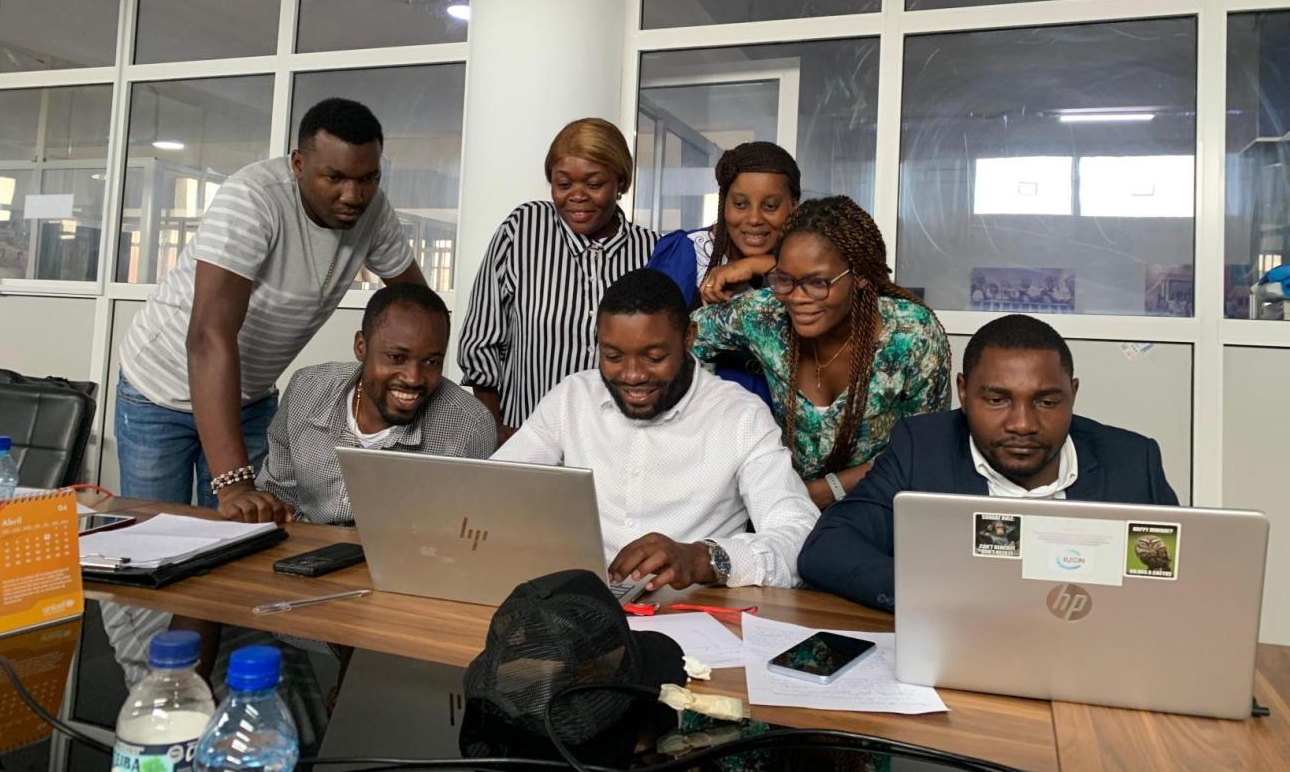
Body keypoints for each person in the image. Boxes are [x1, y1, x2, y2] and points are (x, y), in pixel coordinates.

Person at [116, 97, 427, 523]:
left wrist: (414, 381)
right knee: (157, 536)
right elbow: (209, 336)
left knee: (242, 540)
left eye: (368, 178)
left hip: (250, 396)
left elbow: (418, 311)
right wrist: (235, 483)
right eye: (334, 177)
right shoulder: (253, 199)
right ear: (299, 164)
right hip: (158, 389)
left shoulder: (373, 212)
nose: (353, 195)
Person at [797, 314, 1179, 611]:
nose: (1023, 424)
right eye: (997, 400)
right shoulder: (923, 449)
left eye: (1047, 402)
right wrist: (951, 599)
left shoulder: (1132, 462)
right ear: (963, 392)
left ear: (1072, 393)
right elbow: (828, 548)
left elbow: (1179, 579)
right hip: (968, 656)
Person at [492, 269, 818, 591]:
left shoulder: (741, 417)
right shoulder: (572, 398)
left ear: (689, 338)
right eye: (613, 356)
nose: (633, 375)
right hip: (579, 612)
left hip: (693, 618)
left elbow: (798, 535)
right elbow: (492, 491)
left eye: (654, 356)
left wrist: (703, 559)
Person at [691, 196, 949, 511]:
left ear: (861, 275)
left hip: (879, 506)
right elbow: (679, 340)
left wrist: (827, 490)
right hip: (779, 508)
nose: (798, 298)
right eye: (785, 279)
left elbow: (922, 448)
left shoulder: (912, 335)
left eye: (818, 283)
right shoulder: (765, 315)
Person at [458, 118, 657, 445]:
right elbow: (482, 338)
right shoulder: (523, 229)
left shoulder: (651, 250)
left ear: (621, 182)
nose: (577, 197)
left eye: (593, 184)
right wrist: (494, 429)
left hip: (619, 444)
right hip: (524, 435)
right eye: (563, 184)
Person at [256, 283, 496, 524]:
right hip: (305, 553)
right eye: (396, 358)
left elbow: (467, 530)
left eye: (432, 362)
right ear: (361, 347)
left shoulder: (469, 425)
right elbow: (277, 497)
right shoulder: (306, 389)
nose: (413, 377)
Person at [646, 141, 801, 308]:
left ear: (794, 205)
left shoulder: (807, 252)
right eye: (740, 204)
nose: (754, 219)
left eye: (770, 206)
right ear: (724, 203)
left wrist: (751, 265)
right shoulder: (686, 252)